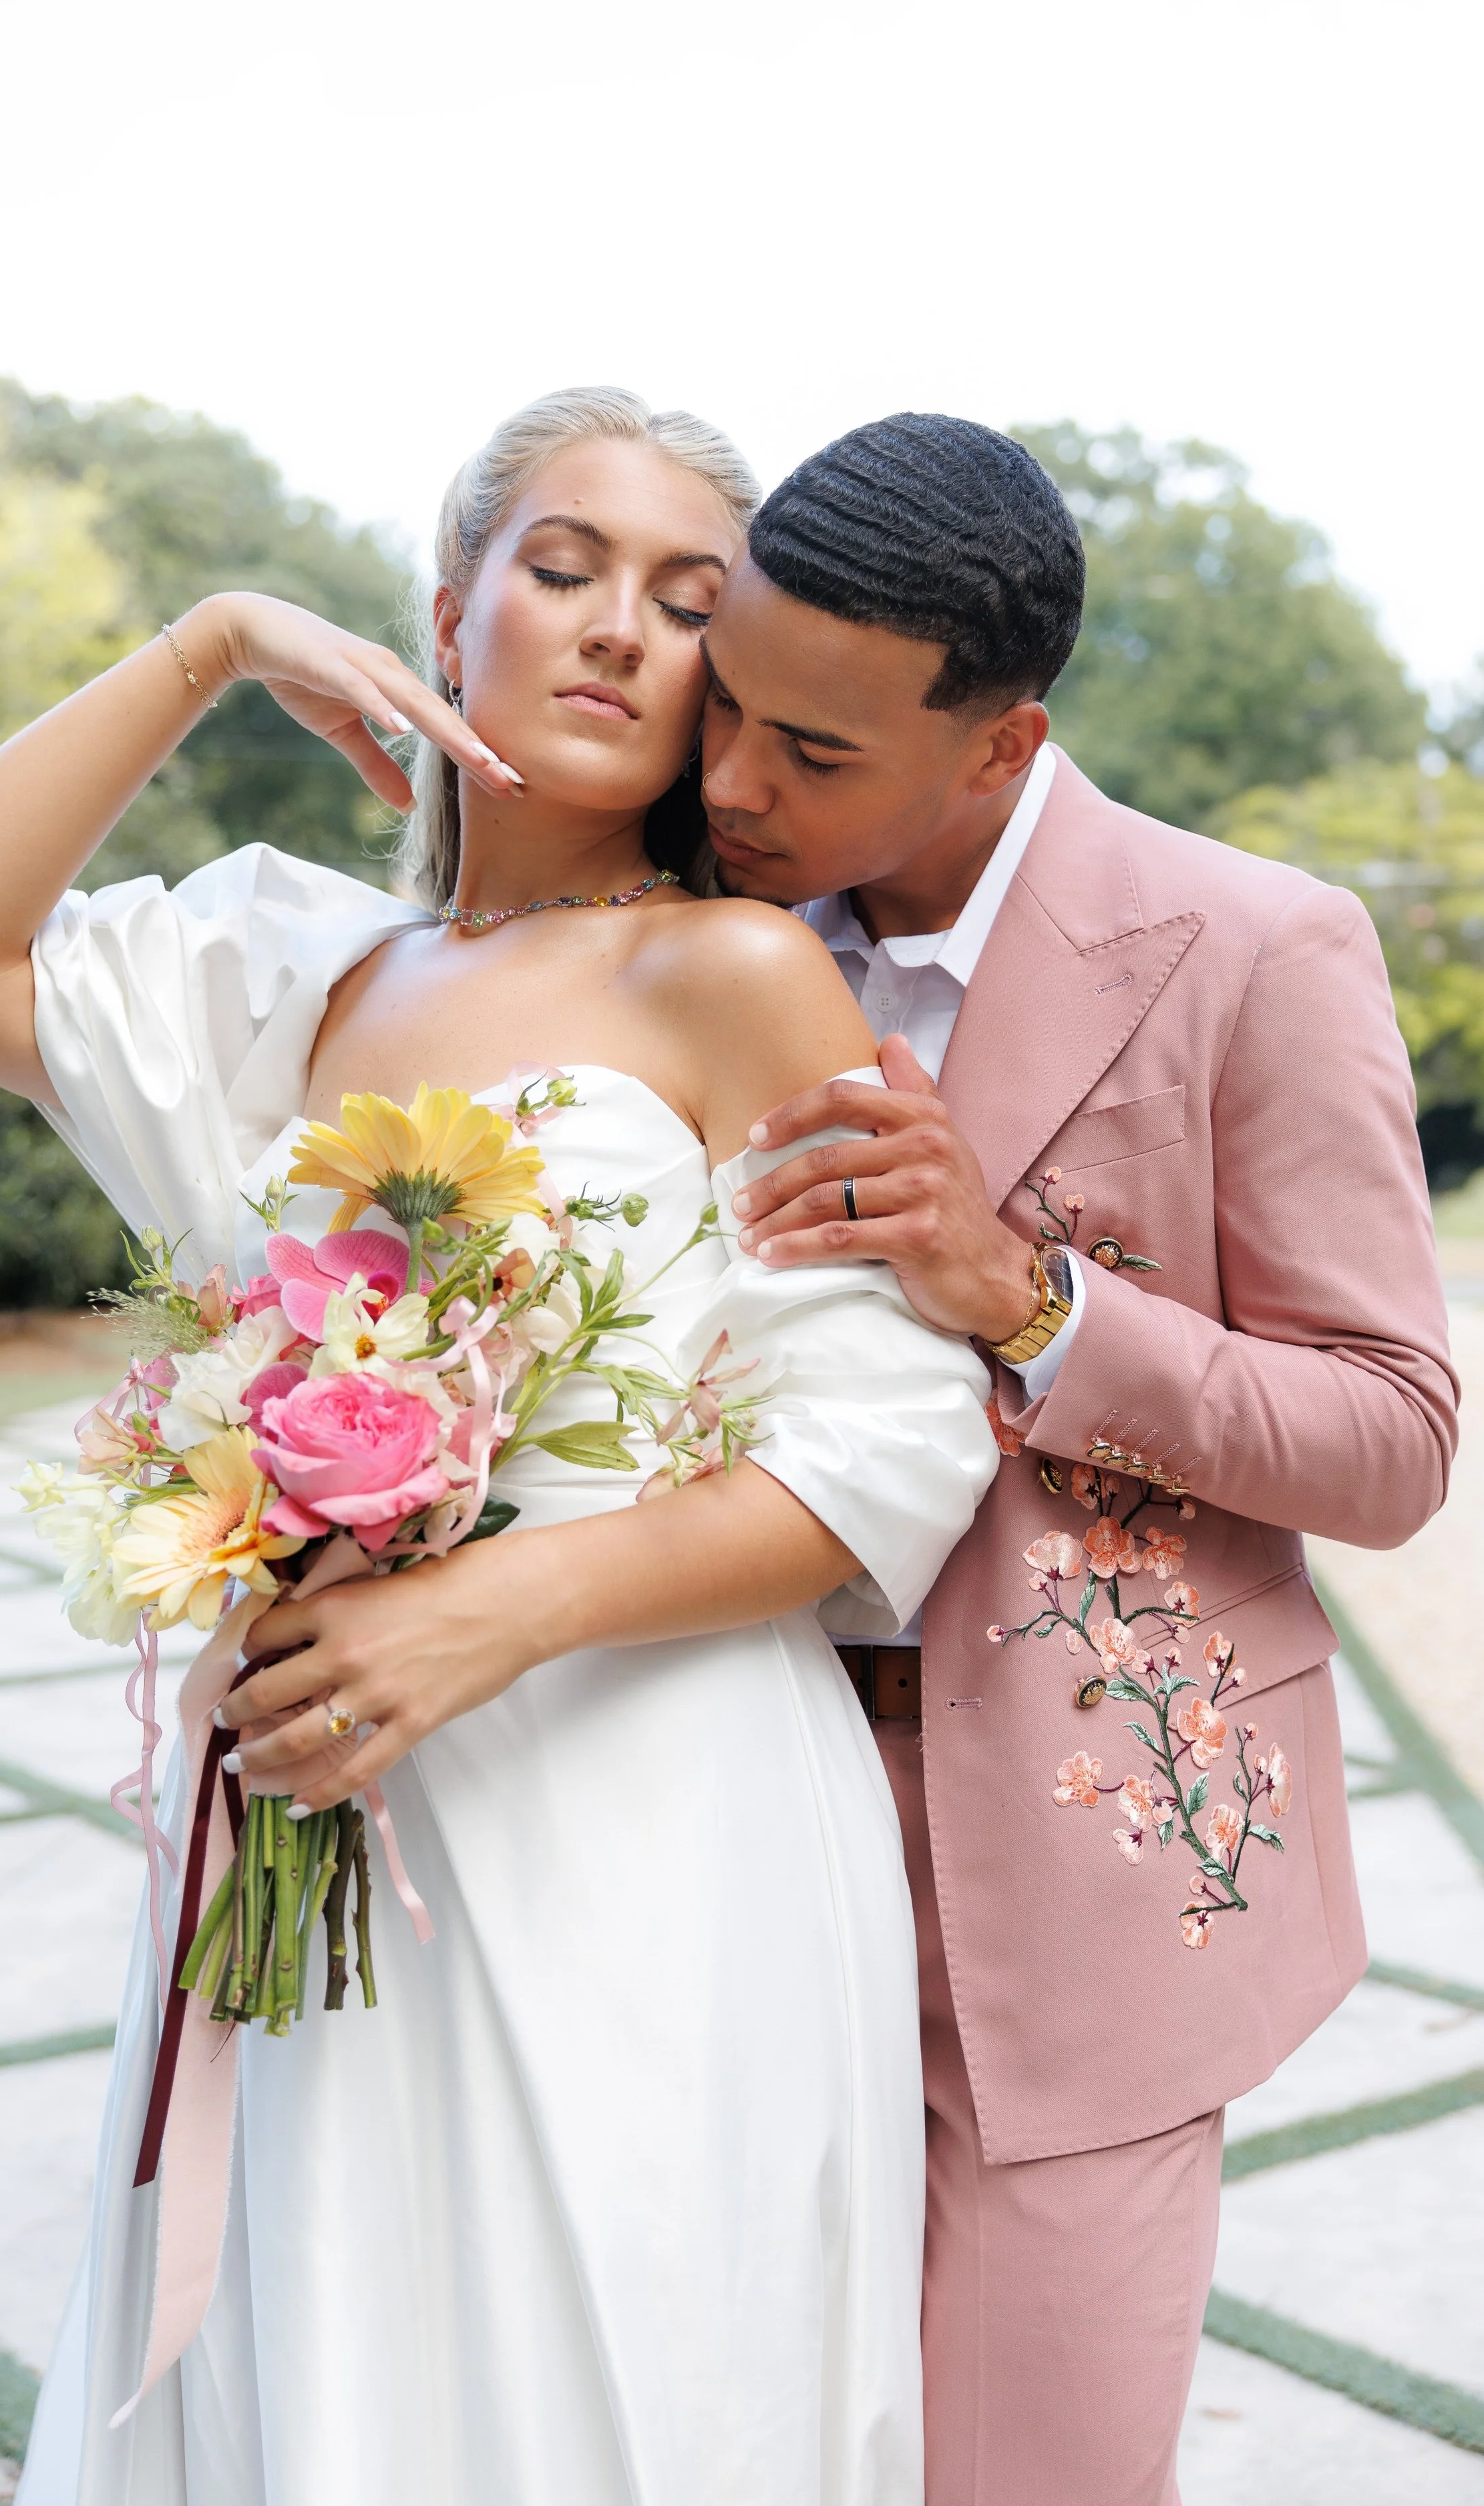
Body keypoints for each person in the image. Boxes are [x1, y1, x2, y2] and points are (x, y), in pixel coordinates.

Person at [0, 388, 1000, 2505]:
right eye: (559, 567)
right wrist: (211, 642)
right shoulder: (288, 973)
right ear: (446, 609)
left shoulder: (731, 976)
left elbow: (887, 1452)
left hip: (653, 1815)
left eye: (683, 605)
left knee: (625, 2373)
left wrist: (485, 1610)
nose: (616, 629)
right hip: (319, 1814)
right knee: (322, 2364)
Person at [693, 413, 1461, 2505]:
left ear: (1001, 746)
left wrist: (1028, 1296)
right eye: (725, 710)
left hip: (1090, 1876)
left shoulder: (1256, 947)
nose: (739, 786)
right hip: (712, 1832)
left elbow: (1394, 1437)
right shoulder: (671, 923)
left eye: (816, 753)